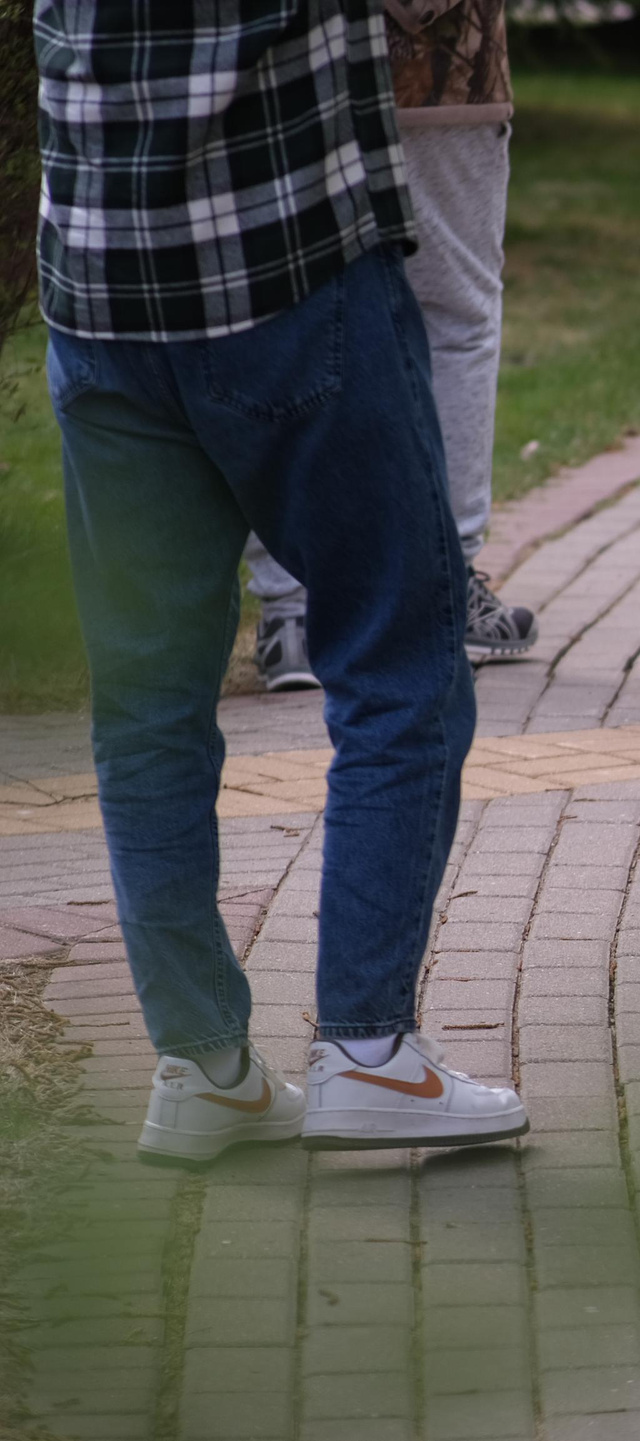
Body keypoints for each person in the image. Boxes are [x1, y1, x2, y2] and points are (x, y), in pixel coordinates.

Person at [38, 0, 529, 1162]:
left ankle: (202, 1066)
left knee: (148, 703)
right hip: (286, 281)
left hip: (103, 307)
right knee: (400, 664)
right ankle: (366, 1052)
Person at [243, 0, 536, 691]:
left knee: (282, 318)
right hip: (435, 74)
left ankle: (292, 613)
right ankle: (444, 586)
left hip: (285, 69)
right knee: (454, 320)